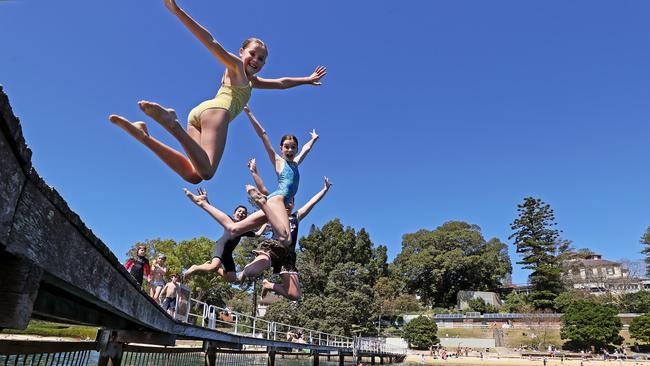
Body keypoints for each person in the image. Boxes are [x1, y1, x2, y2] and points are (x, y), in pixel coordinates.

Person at [108, 0, 326, 184]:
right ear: (241, 52)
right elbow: (210, 42)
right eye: (253, 54)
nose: (257, 61)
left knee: (194, 175)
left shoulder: (251, 81)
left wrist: (306, 80)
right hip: (217, 112)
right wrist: (178, 12)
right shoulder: (236, 67)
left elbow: (281, 83)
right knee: (208, 172)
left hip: (199, 115)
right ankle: (172, 123)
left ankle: (144, 136)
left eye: (262, 59)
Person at [242, 161, 332, 300]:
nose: (289, 203)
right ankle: (242, 274)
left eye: (291, 201)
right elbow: (263, 189)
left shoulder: (296, 216)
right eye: (287, 200)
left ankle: (268, 285)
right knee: (251, 272)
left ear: (293, 204)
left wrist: (324, 190)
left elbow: (312, 203)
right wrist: (254, 171)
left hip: (288, 256)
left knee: (295, 295)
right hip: (273, 249)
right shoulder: (274, 211)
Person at [243, 105, 319, 248]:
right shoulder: (279, 161)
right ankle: (261, 201)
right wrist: (249, 113)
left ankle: (225, 236)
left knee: (236, 228)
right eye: (286, 146)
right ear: (281, 148)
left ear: (296, 149)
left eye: (293, 147)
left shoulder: (295, 163)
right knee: (286, 240)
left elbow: (306, 149)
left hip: (278, 203)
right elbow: (263, 134)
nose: (290, 150)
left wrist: (313, 139)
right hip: (277, 199)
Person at [181, 197, 265, 283]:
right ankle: (196, 267)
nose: (241, 213)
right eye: (239, 211)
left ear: (245, 217)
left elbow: (258, 234)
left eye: (244, 213)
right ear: (234, 213)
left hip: (228, 253)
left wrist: (266, 222)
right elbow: (214, 212)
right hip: (221, 245)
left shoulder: (244, 229)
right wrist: (206, 202)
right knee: (213, 267)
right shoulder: (228, 220)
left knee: (232, 278)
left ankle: (212, 267)